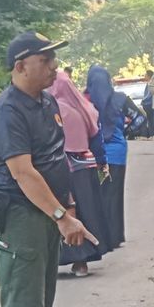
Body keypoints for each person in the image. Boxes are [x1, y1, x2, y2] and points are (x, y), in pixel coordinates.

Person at [0, 31, 96, 307]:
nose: (54, 67)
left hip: (47, 213)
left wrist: (68, 207)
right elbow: (24, 174)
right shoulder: (6, 113)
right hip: (20, 217)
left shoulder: (45, 101)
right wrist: (61, 216)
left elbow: (53, 158)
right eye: (45, 61)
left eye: (53, 60)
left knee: (38, 306)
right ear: (20, 66)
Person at [50, 70, 111, 277]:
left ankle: (54, 261)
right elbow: (96, 137)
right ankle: (81, 262)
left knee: (58, 210)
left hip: (57, 169)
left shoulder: (49, 109)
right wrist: (103, 162)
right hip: (84, 167)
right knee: (85, 212)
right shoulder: (85, 109)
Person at [87, 65, 130, 247]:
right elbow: (141, 120)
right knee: (114, 193)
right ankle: (116, 236)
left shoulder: (84, 100)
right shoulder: (121, 99)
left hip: (92, 154)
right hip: (117, 153)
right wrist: (123, 128)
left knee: (97, 196)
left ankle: (101, 238)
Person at [139, 69, 154, 137]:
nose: (145, 76)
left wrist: (143, 100)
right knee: (150, 120)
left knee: (150, 120)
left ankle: (152, 134)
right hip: (150, 104)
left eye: (146, 75)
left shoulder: (150, 83)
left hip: (149, 104)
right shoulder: (150, 83)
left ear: (149, 76)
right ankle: (152, 134)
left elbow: (149, 95)